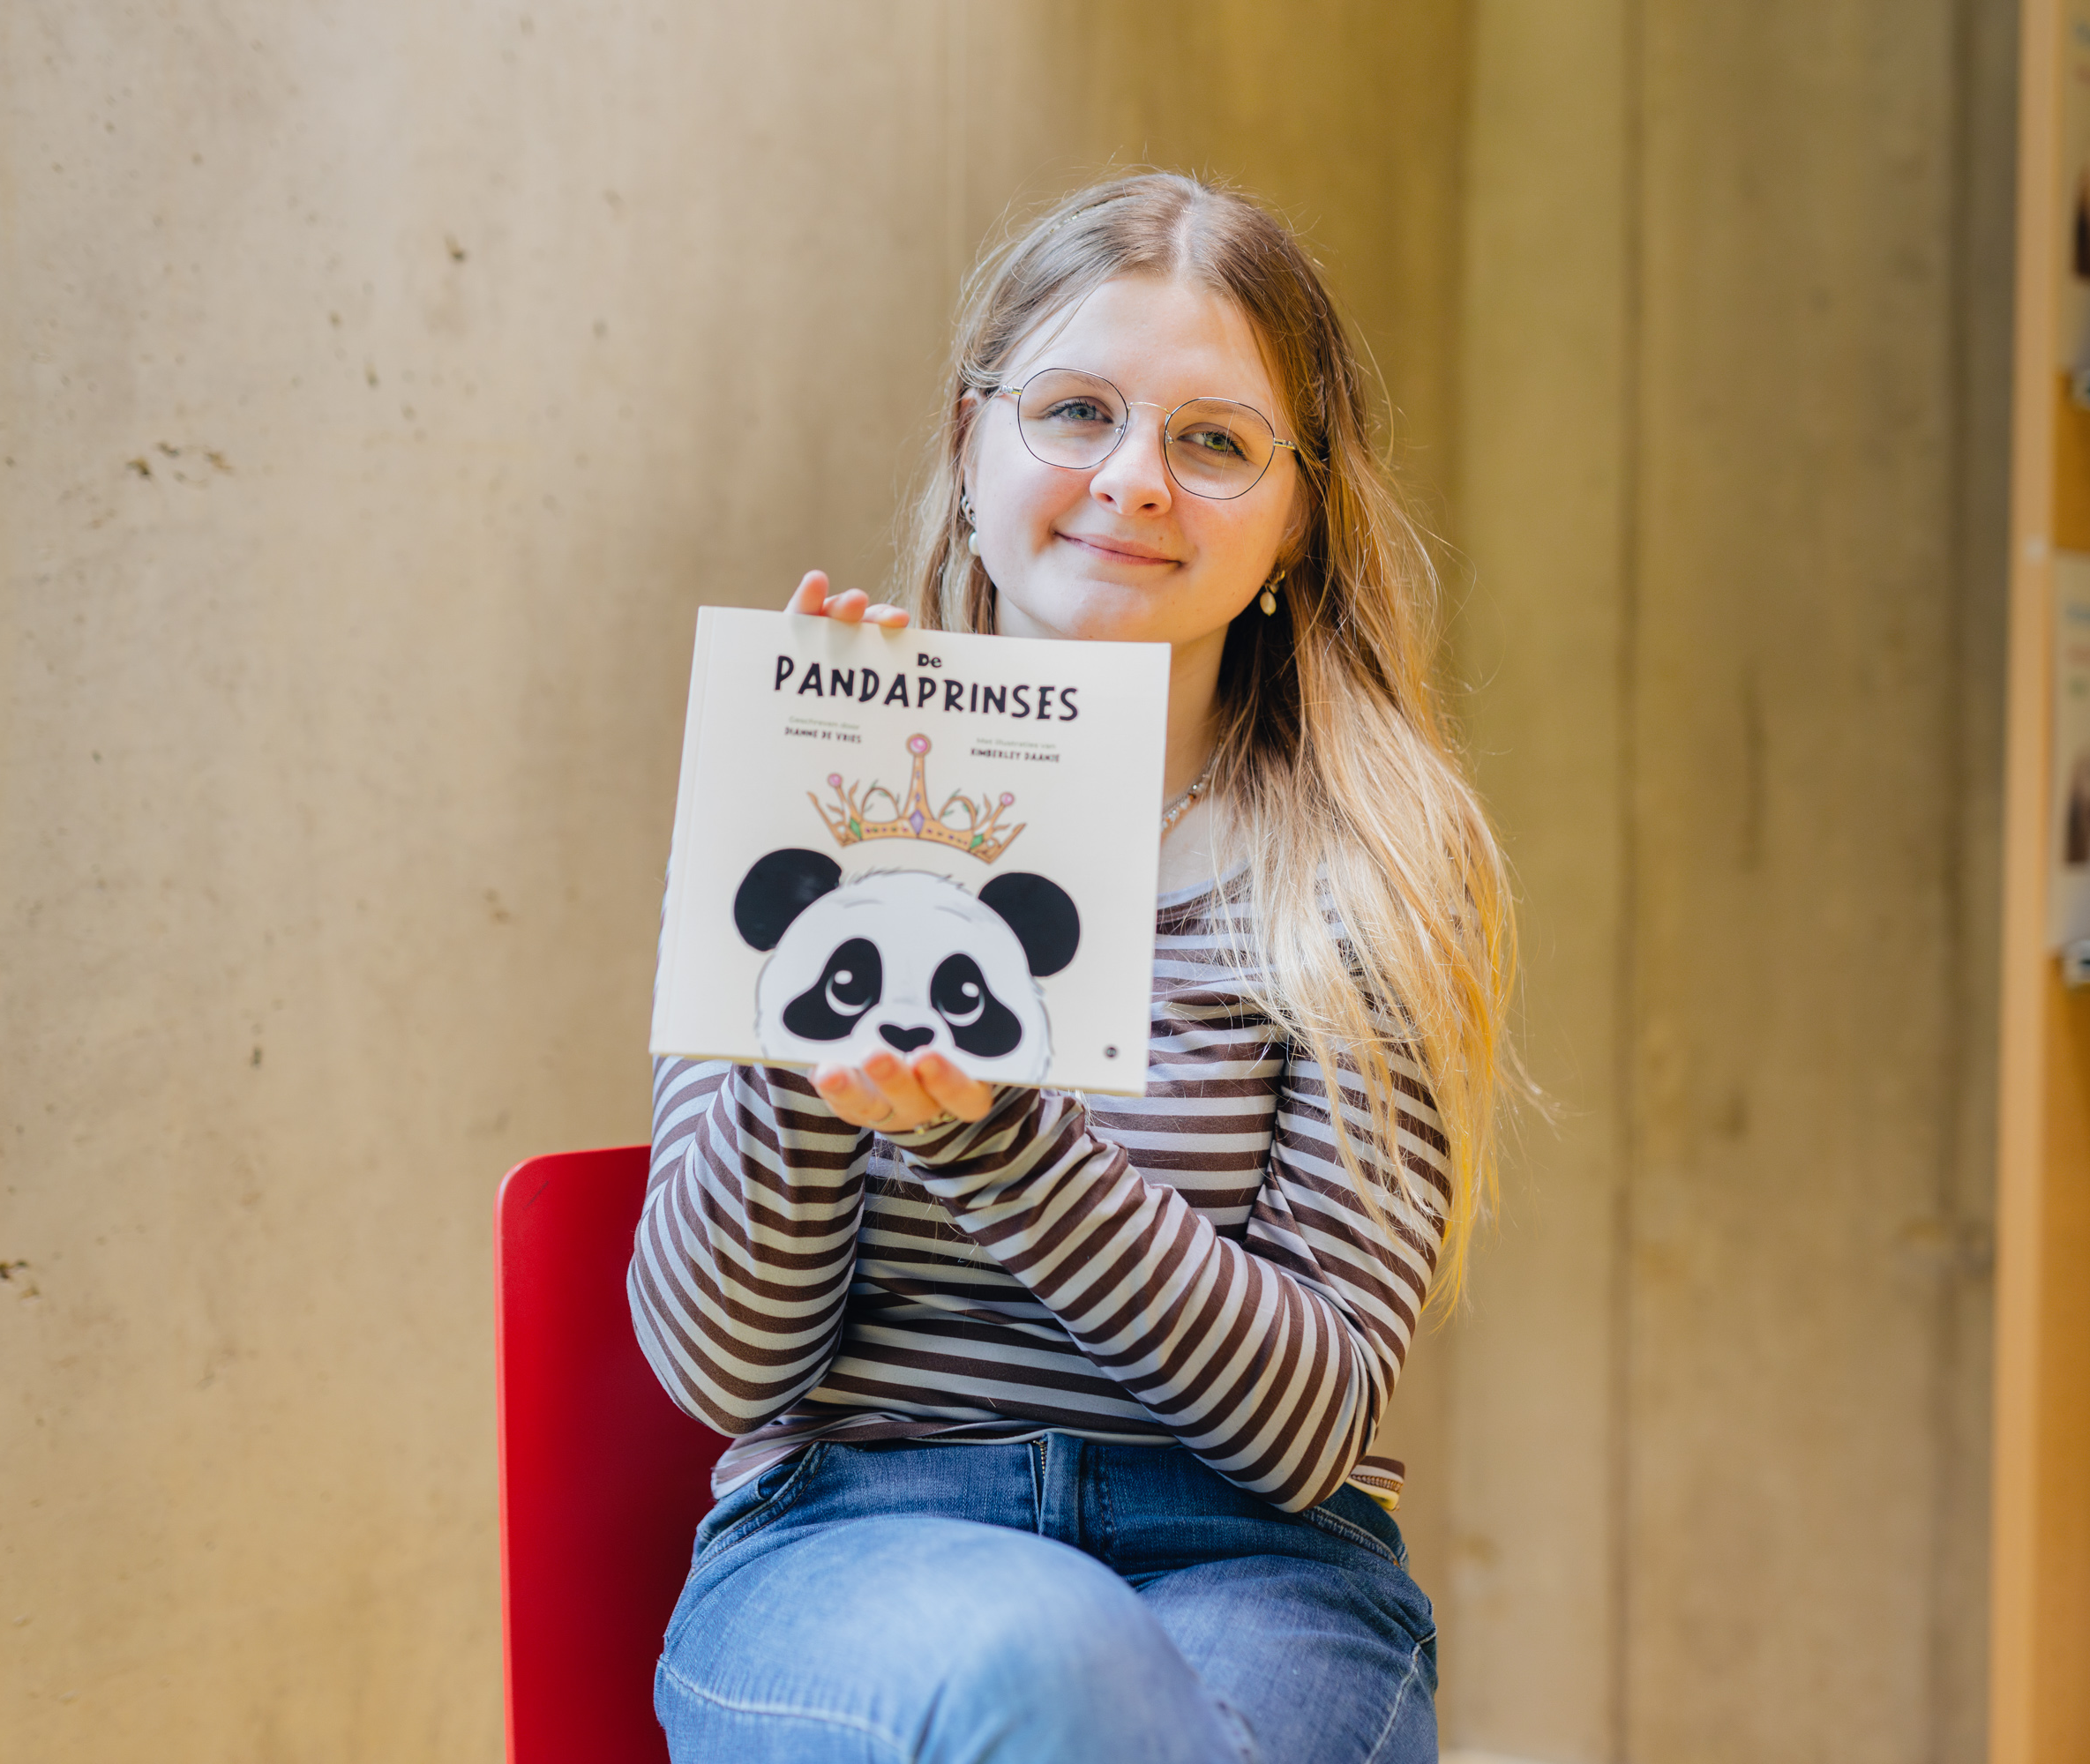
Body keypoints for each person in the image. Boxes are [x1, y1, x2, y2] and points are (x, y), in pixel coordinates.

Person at [629, 170, 1514, 1764]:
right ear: (970, 448)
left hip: (1257, 1558)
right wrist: (813, 1046)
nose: (1132, 482)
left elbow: (1307, 1425)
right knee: (1050, 1666)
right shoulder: (803, 783)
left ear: (1300, 514)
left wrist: (993, 1134)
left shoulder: (1365, 857)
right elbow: (717, 1360)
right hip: (852, 1537)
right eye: (1076, 412)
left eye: (1215, 440)